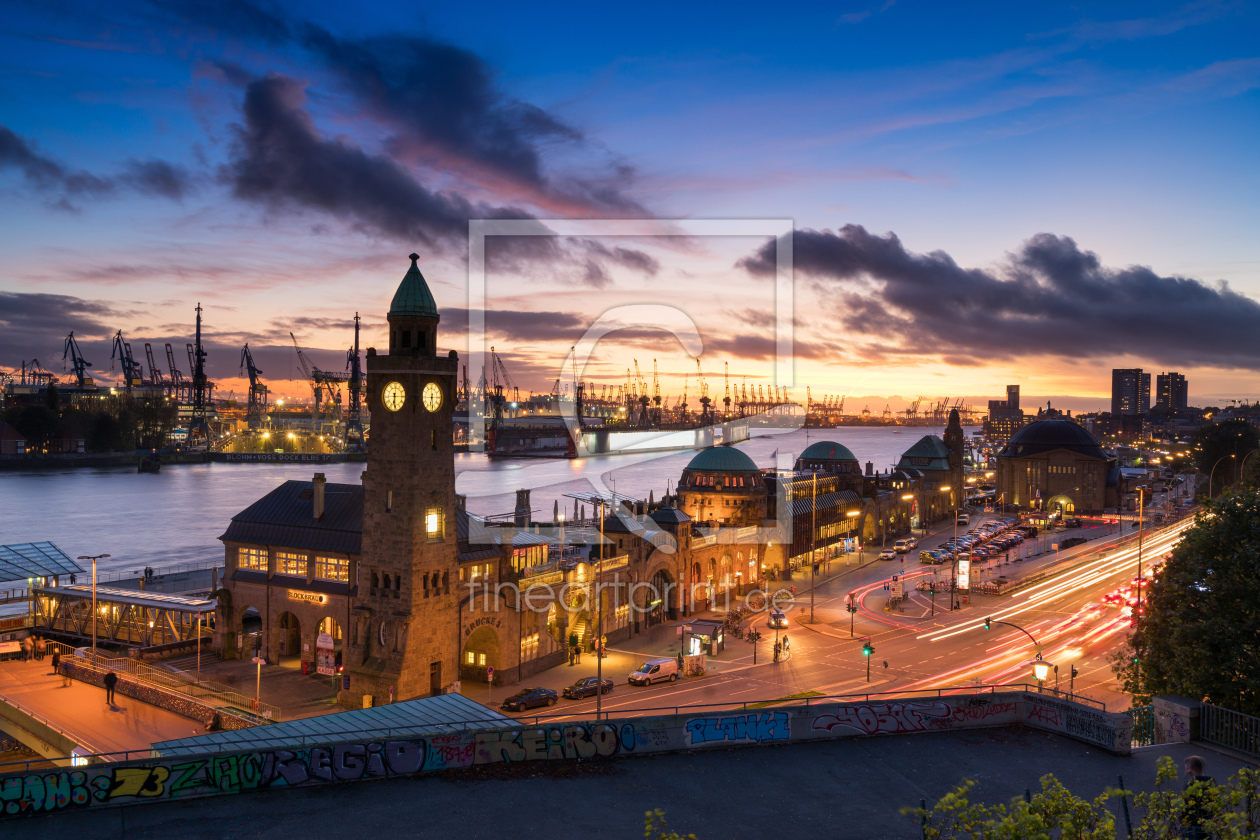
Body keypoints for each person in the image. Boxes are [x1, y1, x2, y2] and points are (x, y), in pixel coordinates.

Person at [1181, 755, 1216, 840]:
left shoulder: (1189, 785)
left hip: (1193, 826)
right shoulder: (1211, 781)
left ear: (1191, 768)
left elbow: (1185, 807)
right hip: (1207, 824)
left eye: (1187, 768)